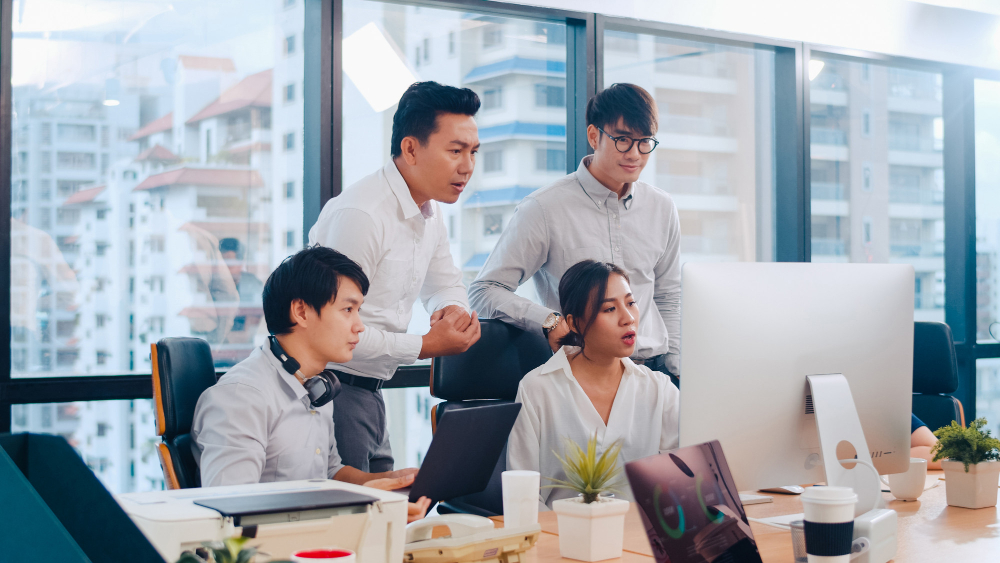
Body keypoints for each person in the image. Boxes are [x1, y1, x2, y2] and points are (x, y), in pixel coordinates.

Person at [308, 81, 482, 473]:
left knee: (386, 519)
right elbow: (330, 330)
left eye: (472, 152)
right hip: (335, 389)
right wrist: (425, 344)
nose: (467, 165)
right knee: (356, 524)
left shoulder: (428, 212)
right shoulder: (363, 215)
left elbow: (444, 281)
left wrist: (452, 309)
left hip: (370, 392)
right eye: (455, 151)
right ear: (410, 148)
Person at [191, 246, 431, 521]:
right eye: (348, 309)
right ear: (301, 312)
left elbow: (330, 473)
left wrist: (389, 483)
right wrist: (364, 506)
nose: (359, 326)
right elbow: (231, 517)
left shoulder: (315, 386)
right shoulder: (241, 398)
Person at [469, 83, 681, 382]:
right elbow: (484, 290)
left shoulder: (662, 206)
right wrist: (548, 320)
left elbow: (668, 296)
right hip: (581, 375)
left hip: (654, 373)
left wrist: (677, 370)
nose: (635, 154)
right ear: (594, 135)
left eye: (644, 141)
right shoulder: (544, 208)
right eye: (622, 139)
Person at [506, 260, 680, 509]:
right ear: (575, 323)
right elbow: (524, 497)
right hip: (561, 537)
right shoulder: (537, 388)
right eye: (609, 309)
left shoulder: (659, 389)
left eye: (631, 303)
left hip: (639, 539)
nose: (628, 318)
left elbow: (686, 480)